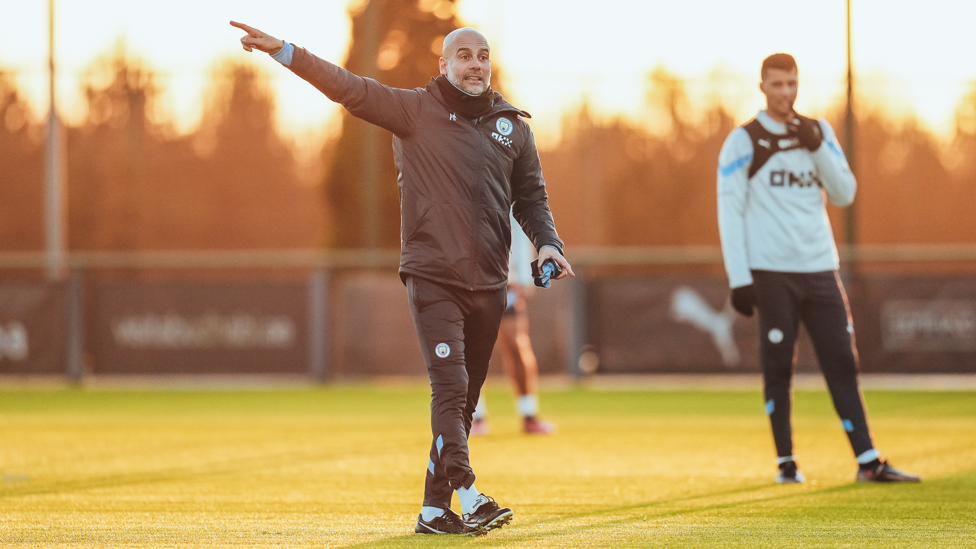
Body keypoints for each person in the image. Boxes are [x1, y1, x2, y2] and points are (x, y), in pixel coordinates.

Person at [231, 22, 574, 535]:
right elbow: (347, 86)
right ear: (444, 64)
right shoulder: (415, 110)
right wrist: (285, 51)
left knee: (461, 404)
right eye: (464, 55)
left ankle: (434, 513)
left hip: (490, 285)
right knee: (452, 390)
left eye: (482, 55)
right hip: (433, 275)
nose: (475, 64)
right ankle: (471, 494)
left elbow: (531, 199)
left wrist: (549, 243)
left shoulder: (513, 126)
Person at [716, 53, 920, 485]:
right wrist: (740, 278)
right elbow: (729, 211)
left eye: (791, 84)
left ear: (798, 84)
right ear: (762, 87)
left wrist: (819, 147)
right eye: (776, 84)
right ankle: (786, 463)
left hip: (821, 269)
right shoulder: (743, 141)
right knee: (778, 367)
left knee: (843, 362)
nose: (785, 92)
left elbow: (844, 193)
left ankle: (868, 461)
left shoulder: (819, 131)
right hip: (770, 272)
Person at [471, 217, 556, 436]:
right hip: (473, 286)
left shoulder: (511, 198)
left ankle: (529, 415)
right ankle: (475, 417)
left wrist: (525, 279)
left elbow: (521, 236)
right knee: (473, 353)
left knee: (517, 347)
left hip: (508, 286)